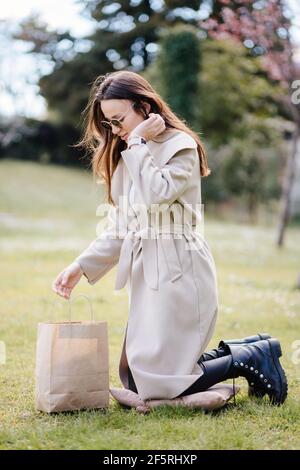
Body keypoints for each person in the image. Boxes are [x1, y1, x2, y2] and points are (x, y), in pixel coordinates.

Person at [52, 71, 287, 405]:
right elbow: (124, 226)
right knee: (136, 376)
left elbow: (156, 195)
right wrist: (81, 266)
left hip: (180, 266)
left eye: (119, 120)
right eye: (110, 125)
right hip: (148, 268)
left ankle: (248, 358)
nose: (116, 131)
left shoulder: (180, 146)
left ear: (144, 108)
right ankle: (249, 350)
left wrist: (137, 144)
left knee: (159, 381)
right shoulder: (128, 152)